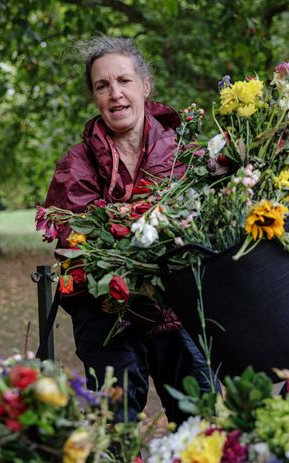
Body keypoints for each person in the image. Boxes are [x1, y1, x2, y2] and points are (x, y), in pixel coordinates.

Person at [42, 36, 215, 424]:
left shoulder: (185, 154)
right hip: (108, 311)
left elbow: (209, 228)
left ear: (145, 85)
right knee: (114, 425)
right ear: (94, 97)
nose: (115, 94)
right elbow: (77, 241)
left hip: (178, 306)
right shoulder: (77, 163)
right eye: (103, 86)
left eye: (124, 81)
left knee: (204, 420)